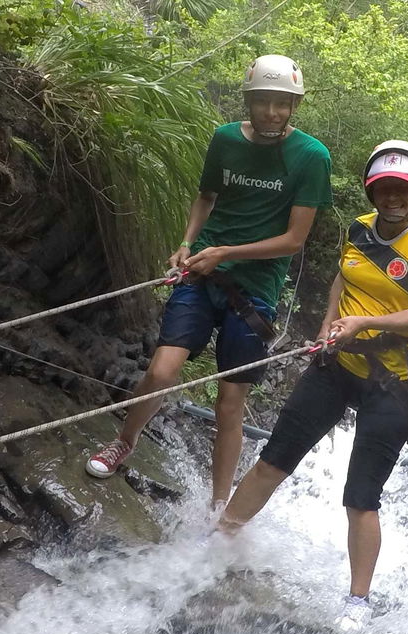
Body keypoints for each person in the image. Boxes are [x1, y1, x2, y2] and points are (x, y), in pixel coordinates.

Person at [85, 55, 333, 519]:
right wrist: (187, 243)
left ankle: (219, 506)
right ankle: (124, 442)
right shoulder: (224, 140)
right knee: (161, 370)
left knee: (229, 401)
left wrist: (226, 253)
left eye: (283, 104)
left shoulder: (311, 157)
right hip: (201, 272)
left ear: (294, 106)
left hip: (255, 288)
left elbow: (294, 239)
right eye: (264, 102)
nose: (273, 112)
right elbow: (206, 197)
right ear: (249, 100)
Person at [219, 140, 408, 630]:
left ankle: (357, 601)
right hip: (337, 360)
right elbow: (341, 283)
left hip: (393, 378)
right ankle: (218, 539)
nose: (392, 198)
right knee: (275, 457)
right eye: (383, 189)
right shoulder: (359, 230)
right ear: (372, 191)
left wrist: (364, 324)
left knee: (361, 495)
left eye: (402, 190)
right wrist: (328, 327)